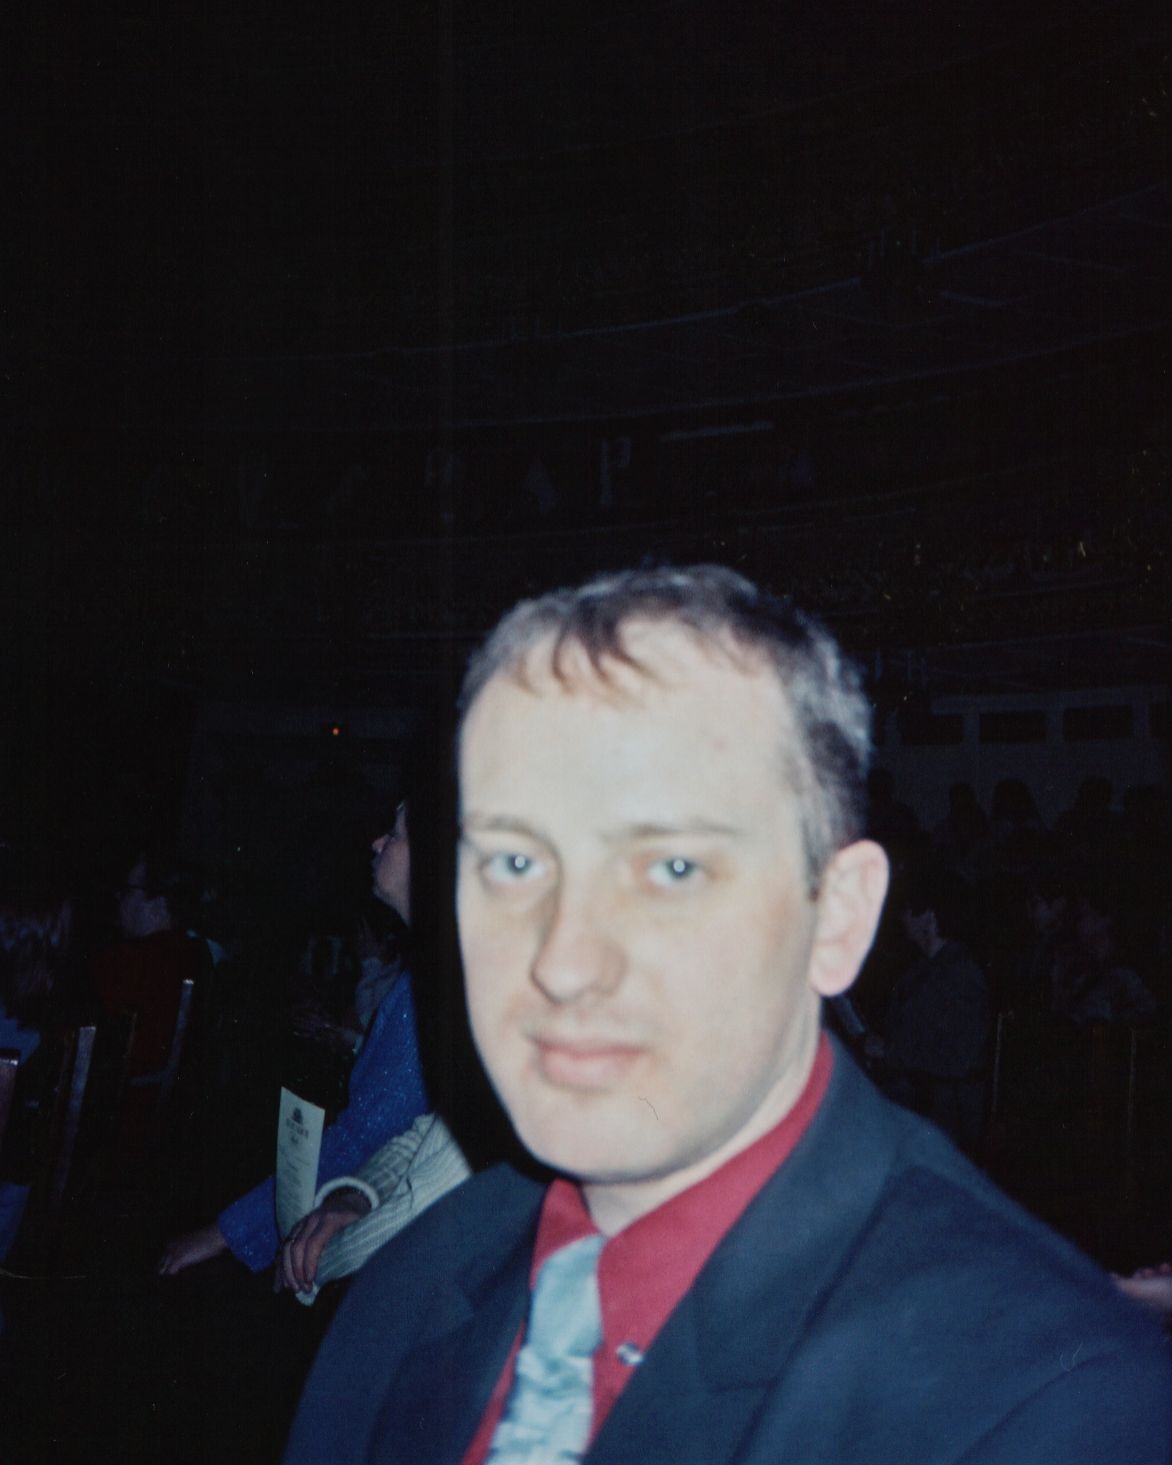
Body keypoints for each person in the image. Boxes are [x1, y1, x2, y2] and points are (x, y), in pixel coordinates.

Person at [287, 565, 1171, 1465]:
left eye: (671, 867)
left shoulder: (1045, 1405)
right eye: (516, 863)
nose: (561, 957)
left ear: (837, 918)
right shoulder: (406, 1289)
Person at [158, 800, 428, 1276]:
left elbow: (365, 1138)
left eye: (395, 834)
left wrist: (223, 1234)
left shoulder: (433, 989)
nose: (376, 843)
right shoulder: (427, 972)